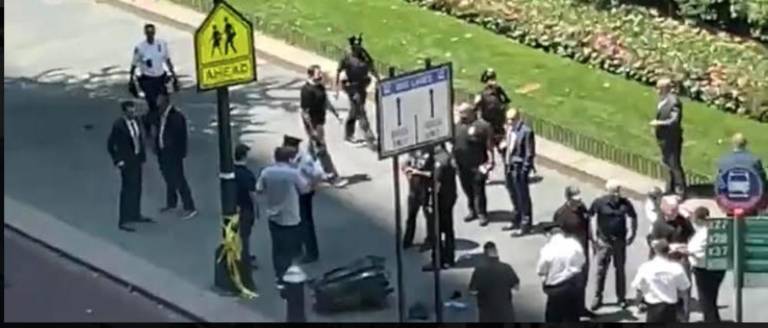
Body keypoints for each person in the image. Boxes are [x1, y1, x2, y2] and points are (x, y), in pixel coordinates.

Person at [257, 146, 312, 284]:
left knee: (277, 248)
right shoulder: (293, 174)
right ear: (289, 159)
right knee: (292, 249)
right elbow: (305, 189)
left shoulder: (267, 172)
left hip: (274, 216)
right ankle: (290, 277)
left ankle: (279, 276)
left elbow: (259, 189)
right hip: (291, 216)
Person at [589, 180, 638, 311]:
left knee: (620, 270)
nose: (616, 195)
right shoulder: (599, 203)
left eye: (618, 192)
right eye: (614, 192)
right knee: (601, 271)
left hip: (620, 242)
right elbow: (590, 217)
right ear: (608, 192)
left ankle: (621, 297)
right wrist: (593, 237)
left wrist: (632, 233)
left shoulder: (625, 203)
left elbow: (633, 217)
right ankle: (597, 297)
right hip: (604, 242)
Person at [299, 64, 348, 188]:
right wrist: (312, 131)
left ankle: (303, 174)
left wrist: (337, 114)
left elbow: (325, 101)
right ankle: (332, 176)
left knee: (312, 152)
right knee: (321, 151)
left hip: (320, 122)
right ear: (311, 75)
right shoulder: (306, 91)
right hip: (313, 125)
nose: (321, 75)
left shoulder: (320, 86)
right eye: (318, 73)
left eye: (320, 72)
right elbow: (305, 113)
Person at [649, 194, 695, 321]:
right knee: (668, 293)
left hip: (681, 260)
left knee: (685, 292)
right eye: (672, 209)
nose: (675, 212)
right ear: (664, 208)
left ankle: (684, 319)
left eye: (676, 209)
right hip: (666, 261)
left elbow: (692, 236)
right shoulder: (658, 224)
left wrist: (686, 246)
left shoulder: (682, 221)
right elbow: (654, 244)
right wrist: (671, 247)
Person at [107, 100, 151, 232]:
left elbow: (139, 138)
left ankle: (135, 213)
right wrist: (117, 160)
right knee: (127, 189)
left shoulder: (137, 121)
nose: (133, 113)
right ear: (124, 112)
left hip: (137, 159)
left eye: (133, 110)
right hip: (126, 161)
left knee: (137, 187)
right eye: (130, 111)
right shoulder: (118, 125)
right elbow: (110, 145)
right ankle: (124, 219)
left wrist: (142, 155)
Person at [552, 186, 595, 318]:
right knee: (572, 282)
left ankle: (581, 308)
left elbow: (588, 225)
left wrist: (592, 240)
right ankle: (571, 311)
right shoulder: (561, 214)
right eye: (576, 199)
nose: (579, 201)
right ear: (569, 198)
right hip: (569, 255)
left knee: (582, 281)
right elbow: (557, 234)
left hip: (583, 251)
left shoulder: (582, 208)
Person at [129, 23, 179, 134]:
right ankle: (152, 124)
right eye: (148, 33)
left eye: (152, 32)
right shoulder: (140, 48)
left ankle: (152, 121)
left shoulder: (161, 44)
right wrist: (131, 79)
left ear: (154, 33)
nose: (150, 35)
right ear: (145, 34)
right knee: (153, 106)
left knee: (164, 103)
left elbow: (167, 60)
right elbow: (134, 64)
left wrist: (174, 75)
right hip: (148, 80)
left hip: (160, 78)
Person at [283, 135, 325, 264]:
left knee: (305, 223)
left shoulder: (304, 160)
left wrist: (313, 185)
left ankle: (311, 253)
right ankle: (298, 249)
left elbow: (318, 173)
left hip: (304, 194)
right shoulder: (291, 158)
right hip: (294, 193)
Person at [155, 94, 197, 220]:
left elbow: (179, 137)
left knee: (179, 179)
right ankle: (171, 203)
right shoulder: (161, 115)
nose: (157, 105)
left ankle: (189, 206)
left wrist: (178, 153)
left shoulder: (176, 117)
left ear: (165, 103)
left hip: (173, 154)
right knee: (168, 178)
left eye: (159, 102)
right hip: (163, 153)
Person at [453, 103, 494, 226]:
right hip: (462, 165)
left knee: (478, 191)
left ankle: (482, 213)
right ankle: (472, 210)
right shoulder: (458, 126)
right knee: (467, 189)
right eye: (460, 113)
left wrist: (490, 162)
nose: (461, 116)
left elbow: (489, 146)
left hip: (478, 164)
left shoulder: (483, 126)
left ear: (471, 113)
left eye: (463, 113)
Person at [631, 239, 691, 323]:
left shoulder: (645, 267)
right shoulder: (676, 268)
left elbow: (638, 288)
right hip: (671, 309)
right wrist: (685, 311)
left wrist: (637, 304)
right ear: (668, 251)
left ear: (655, 251)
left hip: (653, 309)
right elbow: (684, 291)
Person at [335, 34, 378, 149]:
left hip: (362, 86)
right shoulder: (347, 59)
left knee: (355, 111)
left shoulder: (364, 56)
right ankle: (369, 135)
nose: (357, 49)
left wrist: (378, 79)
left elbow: (372, 66)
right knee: (360, 111)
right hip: (352, 88)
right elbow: (339, 72)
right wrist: (337, 89)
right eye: (355, 47)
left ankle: (349, 135)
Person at [537, 223, 587, 322]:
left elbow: (541, 269)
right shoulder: (573, 243)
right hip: (574, 284)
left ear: (549, 234)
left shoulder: (548, 249)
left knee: (553, 317)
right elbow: (582, 260)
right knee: (572, 316)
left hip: (557, 288)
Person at [685, 207, 725, 322]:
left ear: (699, 220)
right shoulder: (710, 230)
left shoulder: (705, 233)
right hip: (715, 268)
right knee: (710, 301)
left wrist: (685, 251)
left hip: (705, 271)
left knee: (706, 302)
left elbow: (696, 250)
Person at [501, 108, 536, 236]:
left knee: (523, 196)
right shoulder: (510, 129)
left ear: (518, 118)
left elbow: (529, 153)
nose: (509, 122)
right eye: (508, 119)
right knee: (513, 194)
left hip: (519, 168)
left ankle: (525, 224)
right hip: (509, 166)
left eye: (512, 119)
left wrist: (525, 170)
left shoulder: (526, 131)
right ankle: (516, 218)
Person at [649, 78, 686, 198]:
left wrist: (658, 123)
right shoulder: (664, 100)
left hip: (672, 139)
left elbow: (674, 120)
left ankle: (680, 189)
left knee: (674, 163)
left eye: (659, 88)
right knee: (666, 162)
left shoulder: (673, 102)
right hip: (664, 138)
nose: (657, 91)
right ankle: (670, 187)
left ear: (665, 88)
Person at [716, 133, 768, 215]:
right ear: (745, 144)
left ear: (732, 144)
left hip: (729, 203)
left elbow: (719, 185)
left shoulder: (723, 161)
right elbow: (763, 182)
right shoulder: (754, 160)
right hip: (751, 203)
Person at [424, 144, 458, 269]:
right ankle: (450, 258)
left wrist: (431, 203)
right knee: (449, 230)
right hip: (450, 197)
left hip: (441, 200)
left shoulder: (439, 161)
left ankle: (437, 260)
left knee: (436, 231)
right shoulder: (448, 157)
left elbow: (437, 183)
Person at [469, 241, 520, 322]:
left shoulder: (479, 270)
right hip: (505, 312)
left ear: (485, 254)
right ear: (497, 253)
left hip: (487, 313)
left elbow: (472, 291)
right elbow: (516, 287)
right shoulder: (507, 268)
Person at [402, 148, 435, 252]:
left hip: (426, 190)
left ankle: (430, 240)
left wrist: (418, 172)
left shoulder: (431, 154)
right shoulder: (412, 152)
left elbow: (433, 173)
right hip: (413, 190)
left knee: (429, 217)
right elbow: (404, 165)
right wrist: (406, 170)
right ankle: (408, 240)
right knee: (411, 216)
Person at [474, 68, 510, 154]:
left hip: (487, 122)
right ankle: (502, 149)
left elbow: (475, 106)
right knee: (500, 139)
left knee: (486, 142)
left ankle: (489, 157)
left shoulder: (482, 94)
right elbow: (506, 102)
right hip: (498, 122)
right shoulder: (499, 90)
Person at [234, 143, 259, 268]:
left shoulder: (231, 171)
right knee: (245, 236)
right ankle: (245, 260)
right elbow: (252, 194)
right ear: (244, 156)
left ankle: (239, 255)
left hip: (234, 206)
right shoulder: (247, 175)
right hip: (246, 208)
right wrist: (257, 208)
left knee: (235, 233)